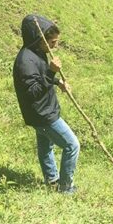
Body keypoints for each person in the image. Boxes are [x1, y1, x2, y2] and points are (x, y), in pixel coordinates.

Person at [13, 14, 80, 194]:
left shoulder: (38, 52)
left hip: (44, 109)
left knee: (46, 146)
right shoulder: (25, 62)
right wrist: (51, 73)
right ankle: (66, 188)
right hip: (41, 114)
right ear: (38, 39)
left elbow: (42, 76)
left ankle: (52, 180)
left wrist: (57, 82)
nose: (54, 46)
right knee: (72, 145)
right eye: (51, 42)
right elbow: (32, 92)